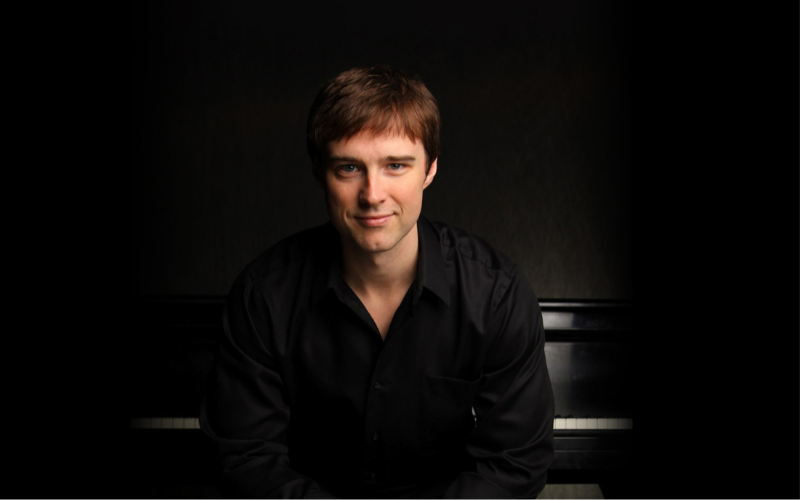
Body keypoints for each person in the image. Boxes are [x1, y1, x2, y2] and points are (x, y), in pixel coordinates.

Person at [200, 65, 554, 498]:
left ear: (430, 169)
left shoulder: (497, 296)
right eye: (349, 167)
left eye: (396, 166)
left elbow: (515, 463)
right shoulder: (263, 296)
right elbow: (245, 457)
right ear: (319, 172)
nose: (372, 194)